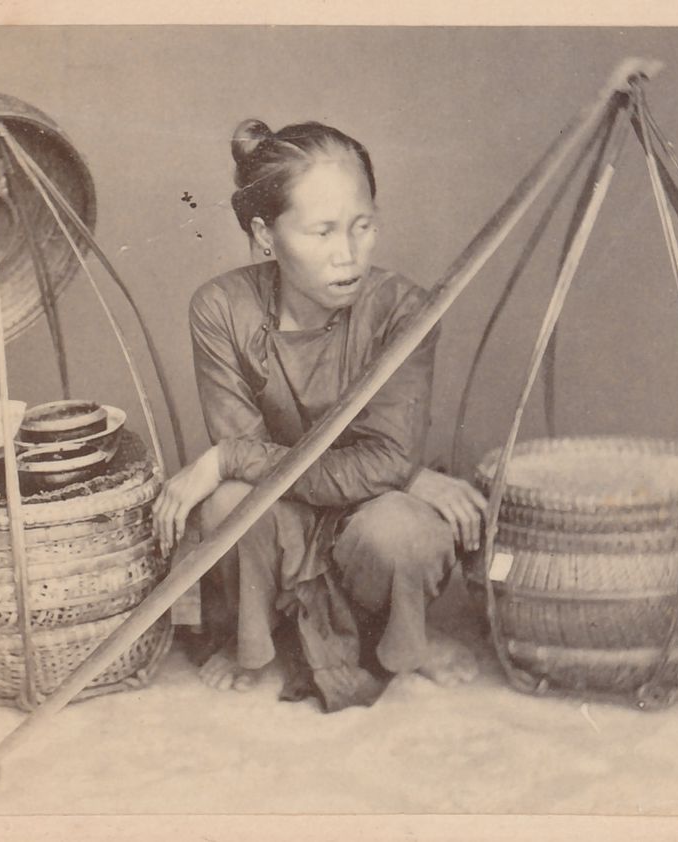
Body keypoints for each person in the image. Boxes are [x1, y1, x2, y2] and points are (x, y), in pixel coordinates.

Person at [152, 120, 485, 712]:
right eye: (322, 232)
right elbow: (256, 463)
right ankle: (250, 642)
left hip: (370, 508)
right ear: (265, 235)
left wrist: (397, 473)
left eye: (362, 226)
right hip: (280, 508)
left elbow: (253, 453)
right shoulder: (221, 309)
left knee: (404, 533)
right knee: (230, 504)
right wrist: (393, 468)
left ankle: (406, 641)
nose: (348, 255)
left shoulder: (401, 309)